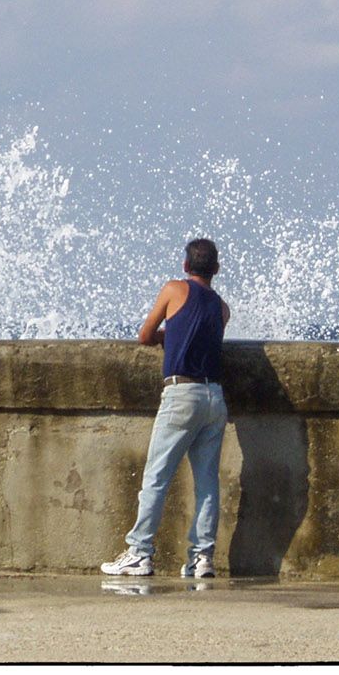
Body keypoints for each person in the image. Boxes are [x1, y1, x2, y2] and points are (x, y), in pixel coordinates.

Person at [100, 238, 231, 579]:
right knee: (206, 483)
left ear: (186, 266)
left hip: (181, 394)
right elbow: (202, 339)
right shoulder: (222, 307)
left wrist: (164, 337)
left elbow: (145, 335)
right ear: (216, 269)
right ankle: (202, 558)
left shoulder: (174, 289)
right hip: (214, 397)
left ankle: (140, 552)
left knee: (157, 476)